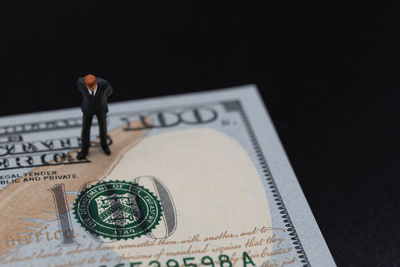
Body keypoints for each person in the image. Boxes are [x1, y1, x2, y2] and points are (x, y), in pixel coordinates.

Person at [76, 74, 113, 160]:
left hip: (100, 108)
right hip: (87, 108)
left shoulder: (104, 84)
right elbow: (79, 85)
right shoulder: (81, 82)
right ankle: (84, 150)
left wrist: (102, 99)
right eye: (88, 87)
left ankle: (104, 146)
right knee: (85, 129)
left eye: (92, 87)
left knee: (103, 128)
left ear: (96, 82)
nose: (90, 89)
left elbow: (110, 92)